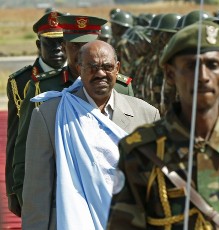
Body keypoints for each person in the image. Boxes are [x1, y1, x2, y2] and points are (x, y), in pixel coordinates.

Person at [107, 21, 219, 229]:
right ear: (170, 74)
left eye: (212, 65)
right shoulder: (140, 151)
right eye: (191, 66)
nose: (203, 77)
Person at [22, 40, 160, 229]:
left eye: (107, 67)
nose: (100, 73)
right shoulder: (50, 115)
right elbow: (36, 191)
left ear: (117, 68)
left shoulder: (146, 115)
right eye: (92, 67)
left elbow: (155, 186)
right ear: (79, 68)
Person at [12, 14, 133, 211]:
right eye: (75, 46)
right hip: (62, 194)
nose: (81, 52)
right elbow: (24, 144)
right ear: (64, 46)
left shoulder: (120, 87)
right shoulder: (44, 87)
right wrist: (19, 192)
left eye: (88, 45)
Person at [5, 10, 66, 217]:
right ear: (39, 45)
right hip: (36, 170)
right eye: (50, 43)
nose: (58, 48)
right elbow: (15, 138)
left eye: (62, 42)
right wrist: (13, 188)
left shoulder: (80, 75)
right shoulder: (21, 82)